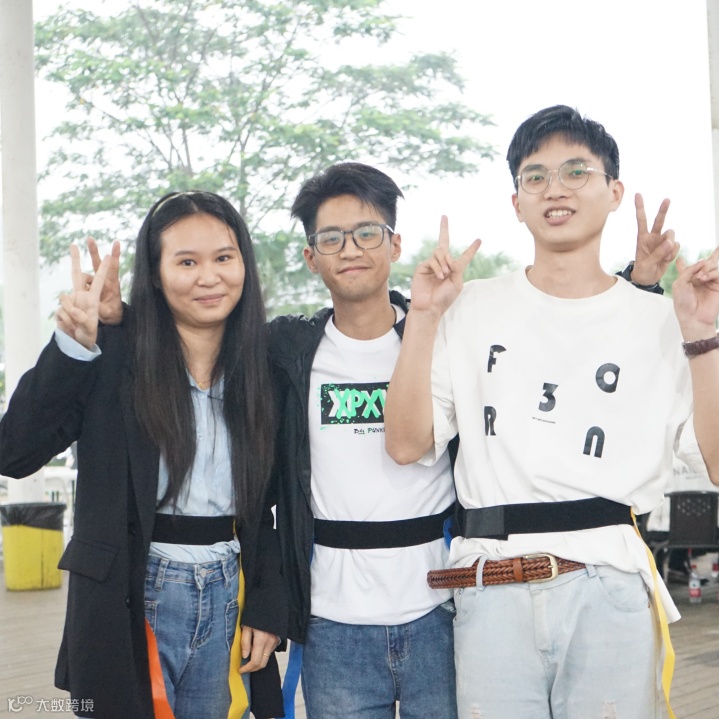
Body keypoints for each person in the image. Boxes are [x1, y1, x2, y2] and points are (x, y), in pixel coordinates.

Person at [384, 105, 719, 718]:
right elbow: (405, 444)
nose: (555, 188)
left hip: (609, 585)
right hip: (490, 588)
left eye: (576, 171)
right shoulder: (469, 307)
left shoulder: (663, 318)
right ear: (516, 202)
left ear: (614, 192)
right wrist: (425, 318)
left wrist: (701, 338)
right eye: (535, 176)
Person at [0, 192, 287, 719]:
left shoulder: (263, 373)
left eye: (224, 257)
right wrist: (74, 345)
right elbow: (13, 452)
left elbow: (266, 510)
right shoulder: (112, 356)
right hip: (133, 590)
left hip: (228, 590)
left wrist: (267, 607)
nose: (209, 277)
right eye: (186, 262)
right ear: (154, 275)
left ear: (244, 264)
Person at [268, 163, 458, 719]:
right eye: (331, 238)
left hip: (441, 612)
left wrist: (638, 280)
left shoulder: (440, 334)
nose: (350, 248)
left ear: (394, 244)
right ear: (312, 257)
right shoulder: (286, 351)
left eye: (367, 233)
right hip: (332, 624)